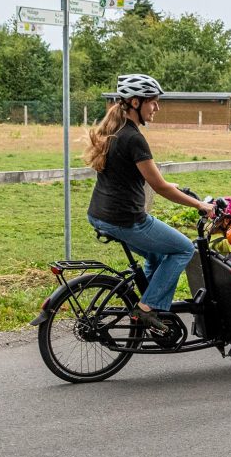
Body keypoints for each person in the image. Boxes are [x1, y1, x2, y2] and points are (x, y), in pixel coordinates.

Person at [84, 73, 215, 335]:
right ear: (135, 102)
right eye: (152, 101)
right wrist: (201, 205)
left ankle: (150, 308)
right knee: (182, 250)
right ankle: (147, 309)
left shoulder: (114, 131)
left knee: (157, 255)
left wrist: (171, 186)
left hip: (101, 214)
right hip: (127, 220)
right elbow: (159, 187)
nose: (157, 107)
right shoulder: (134, 138)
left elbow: (140, 177)